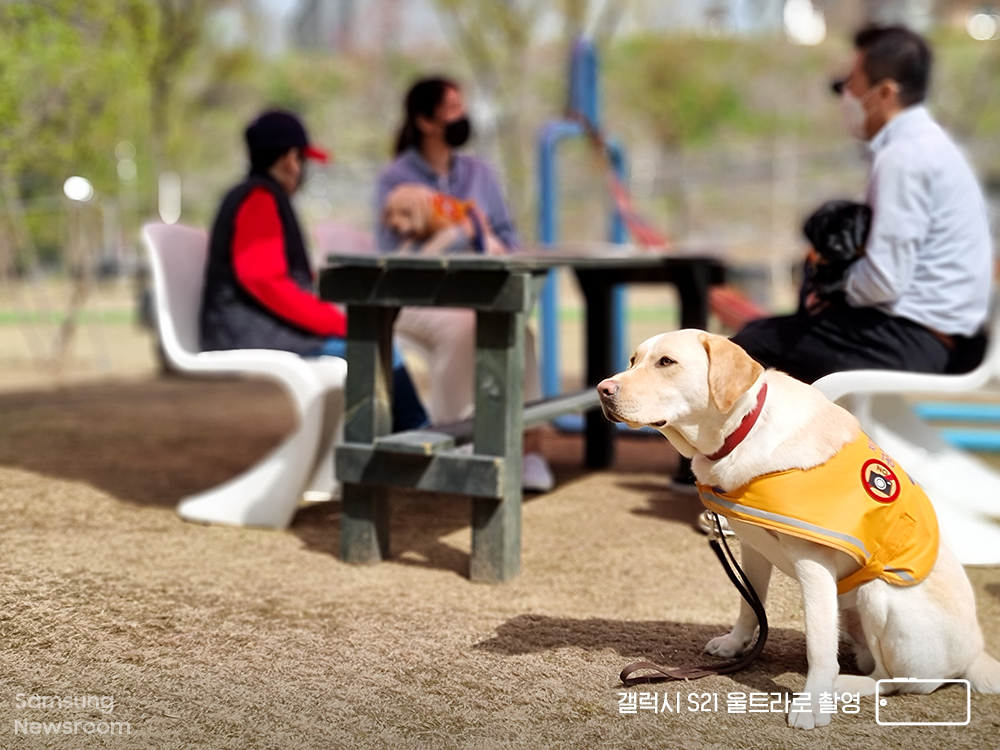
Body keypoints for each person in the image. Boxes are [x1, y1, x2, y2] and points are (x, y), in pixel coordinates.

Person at [731, 24, 993, 384]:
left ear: (884, 92)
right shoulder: (927, 145)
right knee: (764, 335)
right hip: (934, 336)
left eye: (852, 83)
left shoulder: (904, 156)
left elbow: (884, 281)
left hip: (915, 341)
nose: (845, 95)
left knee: (745, 350)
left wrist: (833, 289)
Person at [374, 77, 553, 491]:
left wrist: (483, 235)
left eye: (461, 105)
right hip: (415, 299)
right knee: (462, 326)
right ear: (424, 120)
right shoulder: (396, 179)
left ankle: (531, 448)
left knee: (519, 334)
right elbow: (386, 253)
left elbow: (508, 240)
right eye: (451, 108)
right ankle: (451, 442)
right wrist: (452, 233)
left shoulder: (480, 174)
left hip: (476, 292)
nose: (462, 115)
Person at [201, 108, 428, 432]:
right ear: (291, 160)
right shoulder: (259, 199)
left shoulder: (262, 196)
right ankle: (417, 436)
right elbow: (265, 281)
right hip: (248, 334)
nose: (303, 169)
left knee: (375, 341)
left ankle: (406, 435)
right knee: (373, 344)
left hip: (252, 330)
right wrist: (338, 322)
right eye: (303, 160)